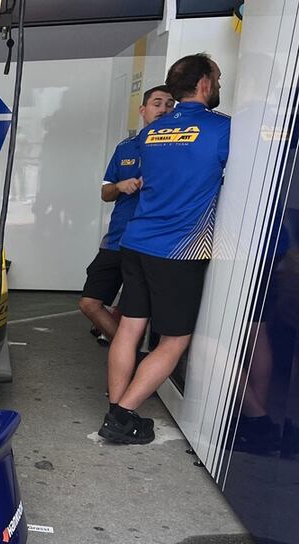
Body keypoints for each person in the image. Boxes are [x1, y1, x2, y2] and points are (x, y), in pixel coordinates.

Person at [101, 53, 230, 445]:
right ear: (205, 84)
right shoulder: (223, 129)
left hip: (136, 241)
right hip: (180, 249)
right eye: (218, 78)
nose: (219, 84)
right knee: (174, 339)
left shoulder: (150, 133)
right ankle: (123, 416)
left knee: (130, 326)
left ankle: (114, 406)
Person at [79, 85, 175, 343]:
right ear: (143, 110)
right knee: (90, 303)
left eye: (169, 104)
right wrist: (120, 186)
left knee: (140, 310)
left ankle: (134, 363)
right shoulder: (126, 148)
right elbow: (105, 193)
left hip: (154, 243)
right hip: (118, 239)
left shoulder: (180, 149)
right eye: (157, 103)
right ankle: (127, 354)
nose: (163, 109)